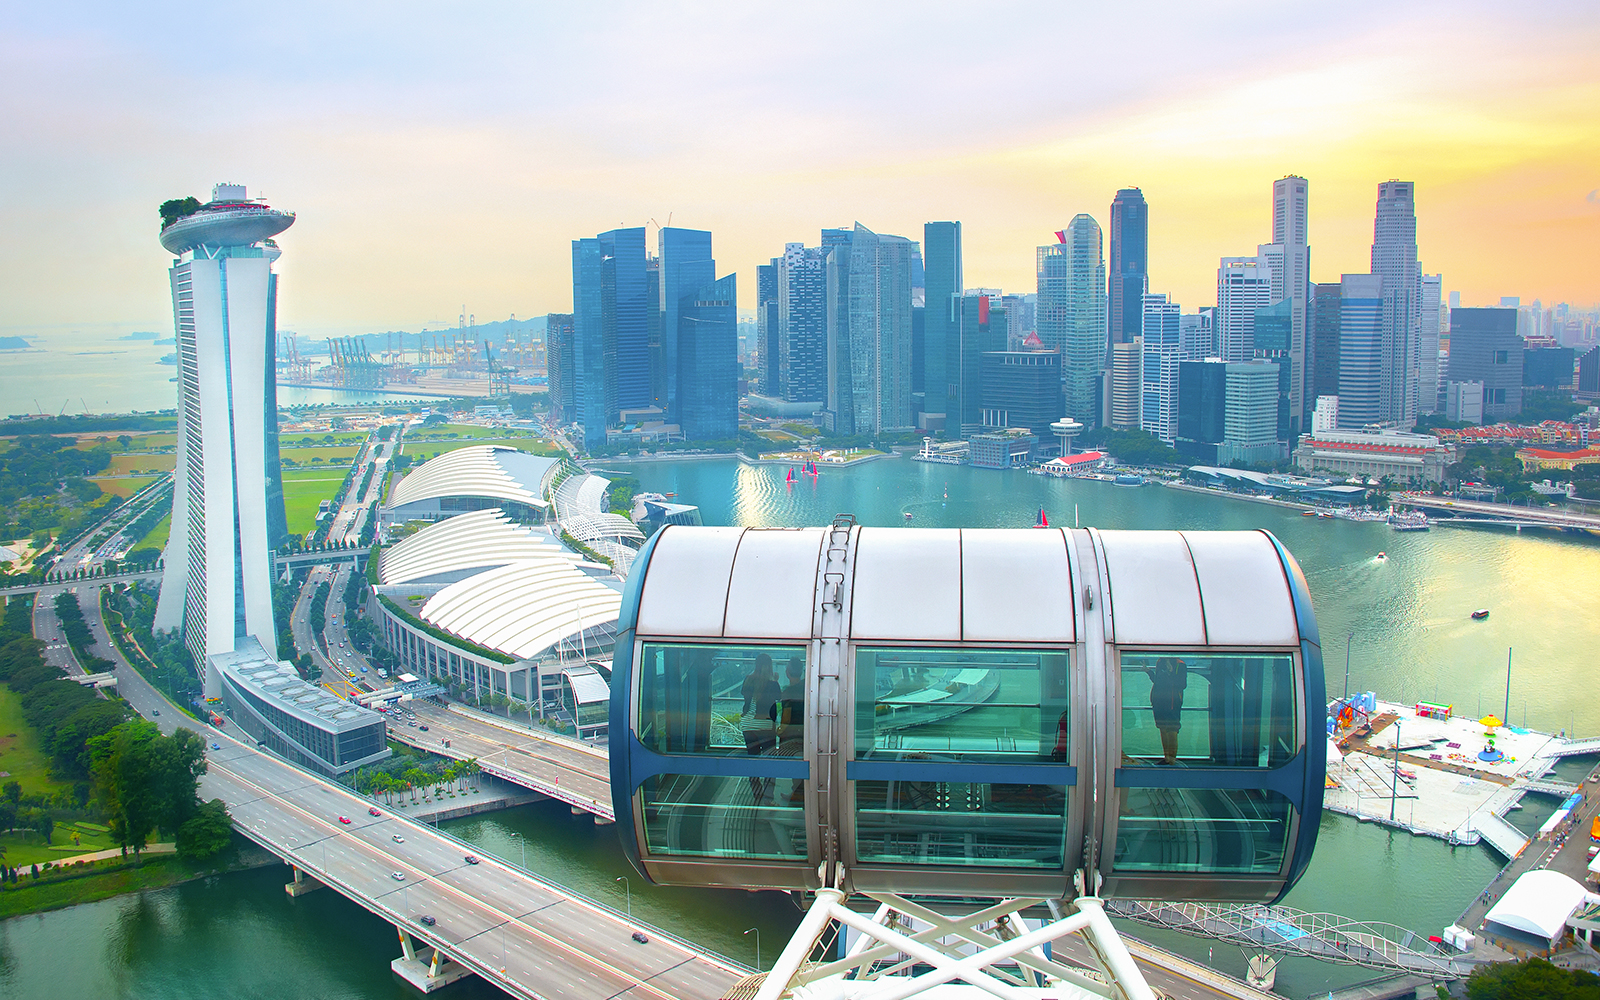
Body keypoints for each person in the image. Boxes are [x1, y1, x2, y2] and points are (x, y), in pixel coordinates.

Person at [741, 654, 781, 799]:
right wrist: (775, 679)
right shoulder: (772, 682)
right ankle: (768, 796)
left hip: (747, 724)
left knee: (753, 759)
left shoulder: (748, 679)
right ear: (769, 666)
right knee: (770, 761)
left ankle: (756, 794)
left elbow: (744, 695)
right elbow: (779, 698)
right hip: (765, 725)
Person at [1148, 657, 1188, 764]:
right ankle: (1167, 758)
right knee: (1162, 727)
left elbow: (1182, 685)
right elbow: (1158, 681)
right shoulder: (1160, 662)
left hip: (1172, 702)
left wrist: (1171, 673)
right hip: (1159, 701)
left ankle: (1172, 760)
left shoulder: (1180, 664)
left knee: (1172, 729)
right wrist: (1148, 672)